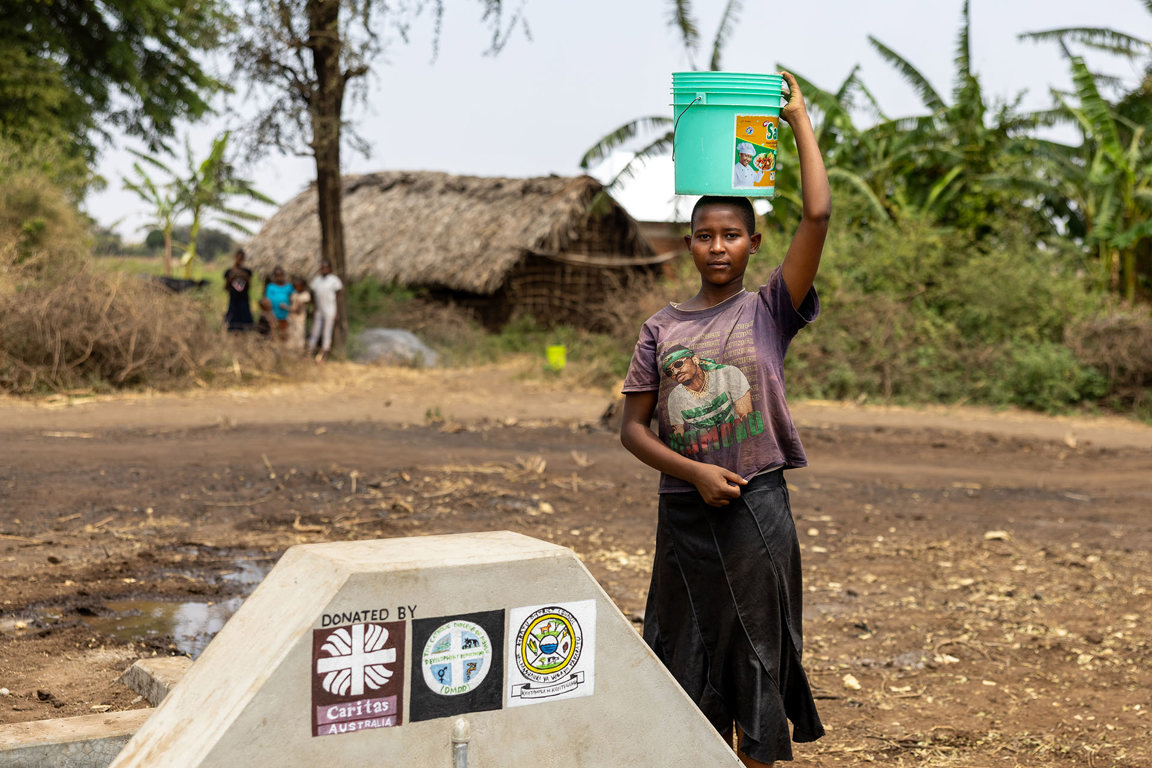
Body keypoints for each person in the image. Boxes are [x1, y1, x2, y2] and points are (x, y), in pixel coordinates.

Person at [619, 71, 830, 768]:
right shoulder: (660, 327)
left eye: (732, 235)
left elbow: (818, 217)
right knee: (687, 650)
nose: (717, 246)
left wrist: (799, 122)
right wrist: (694, 472)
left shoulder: (769, 310)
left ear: (752, 244)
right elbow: (634, 430)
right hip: (684, 513)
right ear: (689, 245)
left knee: (757, 652)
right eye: (705, 235)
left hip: (756, 509)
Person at [308, 259, 343, 362]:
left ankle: (323, 355)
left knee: (326, 333)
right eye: (322, 267)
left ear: (330, 268)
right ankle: (310, 352)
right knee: (315, 331)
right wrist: (314, 309)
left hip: (330, 310)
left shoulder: (334, 281)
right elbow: (314, 297)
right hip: (319, 310)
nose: (323, 269)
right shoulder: (316, 281)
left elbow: (338, 297)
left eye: (326, 267)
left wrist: (337, 312)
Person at [222, 249, 254, 331]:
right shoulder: (229, 272)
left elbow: (250, 287)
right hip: (233, 299)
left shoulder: (247, 272)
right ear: (235, 257)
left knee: (245, 320)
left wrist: (245, 278)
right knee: (233, 320)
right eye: (238, 257)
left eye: (241, 258)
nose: (240, 260)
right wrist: (231, 278)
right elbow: (225, 287)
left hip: (244, 299)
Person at [263, 266, 294, 342]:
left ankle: (283, 346)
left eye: (281, 275)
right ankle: (274, 346)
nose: (279, 277)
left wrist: (289, 307)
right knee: (273, 331)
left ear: (283, 275)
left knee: (284, 331)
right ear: (274, 276)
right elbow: (267, 300)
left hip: (285, 313)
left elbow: (293, 298)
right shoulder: (270, 287)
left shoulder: (289, 287)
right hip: (273, 313)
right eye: (277, 275)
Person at [287, 275, 312, 352]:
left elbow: (298, 309)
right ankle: (291, 352)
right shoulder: (294, 294)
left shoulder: (305, 295)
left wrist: (285, 307)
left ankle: (299, 352)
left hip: (300, 319)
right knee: (291, 335)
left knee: (299, 335)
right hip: (292, 318)